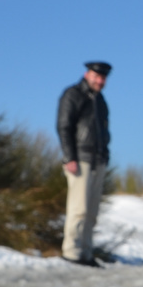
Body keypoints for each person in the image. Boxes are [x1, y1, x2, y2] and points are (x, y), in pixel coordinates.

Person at [56, 61, 111, 266]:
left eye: (103, 77)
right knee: (78, 209)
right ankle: (72, 252)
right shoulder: (73, 94)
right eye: (97, 76)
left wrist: (105, 155)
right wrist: (70, 156)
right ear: (87, 74)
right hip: (80, 159)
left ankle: (86, 253)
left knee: (92, 211)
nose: (100, 81)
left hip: (99, 160)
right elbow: (64, 126)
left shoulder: (101, 101)